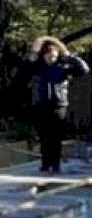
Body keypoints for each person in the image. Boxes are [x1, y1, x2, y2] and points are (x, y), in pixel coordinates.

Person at [20, 36, 88, 173]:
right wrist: (33, 54)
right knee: (44, 135)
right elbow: (22, 72)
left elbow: (84, 69)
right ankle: (45, 163)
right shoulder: (36, 67)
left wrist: (69, 54)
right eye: (49, 56)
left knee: (56, 136)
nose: (52, 58)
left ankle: (55, 164)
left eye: (54, 56)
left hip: (59, 104)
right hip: (41, 104)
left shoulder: (63, 67)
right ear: (44, 55)